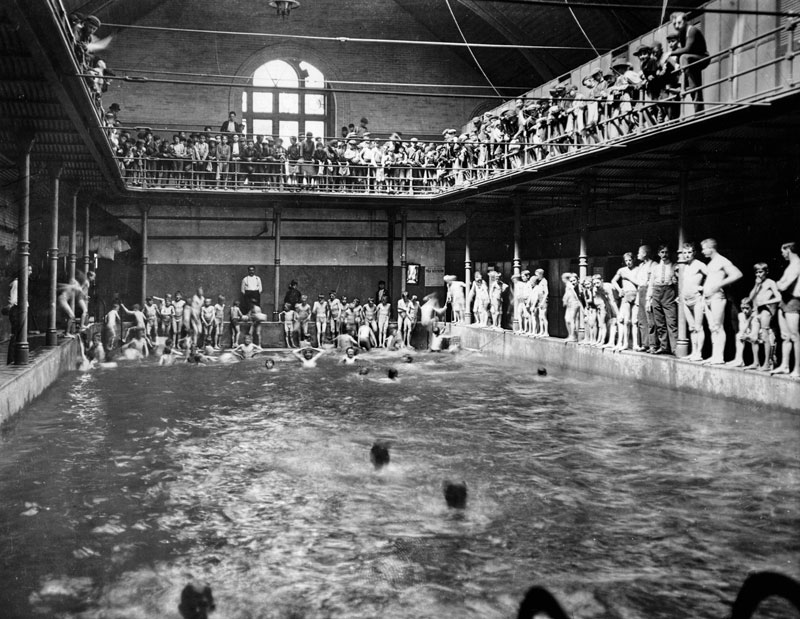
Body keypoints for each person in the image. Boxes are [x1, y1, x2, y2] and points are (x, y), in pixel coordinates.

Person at [701, 238, 743, 365]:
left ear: (710, 248)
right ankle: (715, 355)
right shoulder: (712, 262)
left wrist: (719, 284)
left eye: (704, 248)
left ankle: (719, 356)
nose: (702, 251)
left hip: (717, 297)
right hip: (708, 298)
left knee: (718, 326)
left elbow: (737, 274)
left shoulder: (722, 261)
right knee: (712, 327)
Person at [668, 11, 709, 113]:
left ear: (685, 21)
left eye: (679, 22)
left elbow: (687, 49)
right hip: (692, 59)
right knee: (696, 86)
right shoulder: (681, 34)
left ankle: (683, 84)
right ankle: (699, 112)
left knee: (684, 58)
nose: (677, 26)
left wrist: (669, 54)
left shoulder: (692, 30)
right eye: (674, 24)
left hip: (702, 57)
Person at [773, 241, 800, 377]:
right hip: (784, 302)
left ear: (788, 250)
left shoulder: (797, 265)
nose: (782, 254)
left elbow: (782, 286)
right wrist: (780, 284)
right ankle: (784, 366)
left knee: (795, 336)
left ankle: (797, 369)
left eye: (783, 251)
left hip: (793, 302)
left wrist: (779, 284)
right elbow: (781, 284)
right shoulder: (790, 266)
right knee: (785, 336)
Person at [746, 263, 780, 371]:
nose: (758, 274)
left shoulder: (770, 282)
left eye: (760, 272)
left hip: (766, 310)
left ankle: (766, 364)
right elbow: (750, 298)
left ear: (766, 272)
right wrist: (756, 285)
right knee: (753, 337)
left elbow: (778, 297)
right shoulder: (758, 283)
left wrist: (766, 301)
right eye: (756, 272)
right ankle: (756, 362)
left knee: (765, 336)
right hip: (757, 311)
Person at [646, 244, 678, 355]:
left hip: (668, 292)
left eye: (666, 252)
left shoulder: (674, 266)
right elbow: (651, 283)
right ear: (659, 254)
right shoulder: (655, 268)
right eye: (662, 252)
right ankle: (664, 346)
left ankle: (675, 348)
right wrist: (648, 298)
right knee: (659, 322)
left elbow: (677, 282)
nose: (664, 254)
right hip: (656, 292)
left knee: (671, 321)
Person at [679, 243, 707, 361]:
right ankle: (693, 352)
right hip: (686, 300)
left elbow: (711, 277)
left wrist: (703, 289)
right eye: (685, 253)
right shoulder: (685, 267)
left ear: (694, 252)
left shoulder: (700, 264)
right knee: (691, 327)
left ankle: (699, 353)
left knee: (698, 327)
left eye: (689, 252)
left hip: (697, 299)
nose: (687, 255)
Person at [611, 253, 638, 351]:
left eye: (630, 260)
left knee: (635, 321)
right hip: (626, 295)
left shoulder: (638, 269)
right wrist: (619, 290)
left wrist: (629, 278)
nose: (628, 262)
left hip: (636, 294)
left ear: (633, 259)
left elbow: (639, 282)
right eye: (626, 261)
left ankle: (635, 344)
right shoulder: (622, 270)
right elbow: (613, 281)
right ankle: (626, 343)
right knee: (626, 321)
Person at [727, 298, 761, 369]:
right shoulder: (741, 315)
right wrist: (748, 319)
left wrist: (748, 336)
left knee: (742, 335)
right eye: (743, 308)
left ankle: (740, 360)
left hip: (757, 336)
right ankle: (738, 359)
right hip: (748, 334)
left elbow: (754, 334)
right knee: (739, 335)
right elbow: (742, 330)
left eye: (747, 308)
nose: (745, 310)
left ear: (752, 307)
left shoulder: (755, 316)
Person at [561, 272, 581, 342]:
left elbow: (577, 296)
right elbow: (564, 276)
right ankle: (570, 335)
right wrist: (565, 300)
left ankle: (573, 336)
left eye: (574, 280)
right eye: (571, 281)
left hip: (575, 303)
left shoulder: (578, 286)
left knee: (572, 319)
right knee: (567, 319)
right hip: (569, 303)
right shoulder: (569, 285)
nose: (572, 282)